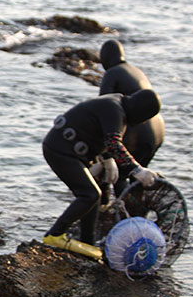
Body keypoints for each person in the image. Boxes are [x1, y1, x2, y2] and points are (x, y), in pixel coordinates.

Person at [42, 89, 161, 256]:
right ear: (140, 112)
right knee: (89, 194)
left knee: (93, 198)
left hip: (71, 151)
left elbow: (100, 132)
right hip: (60, 151)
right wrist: (136, 170)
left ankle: (87, 242)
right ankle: (54, 235)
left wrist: (106, 158)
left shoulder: (116, 104)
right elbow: (113, 142)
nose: (142, 123)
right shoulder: (114, 109)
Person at [98, 39, 165, 187]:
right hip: (157, 130)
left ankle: (114, 208)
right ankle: (137, 208)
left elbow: (103, 110)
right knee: (139, 175)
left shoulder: (112, 73)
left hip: (139, 129)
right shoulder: (135, 70)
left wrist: (105, 154)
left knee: (120, 174)